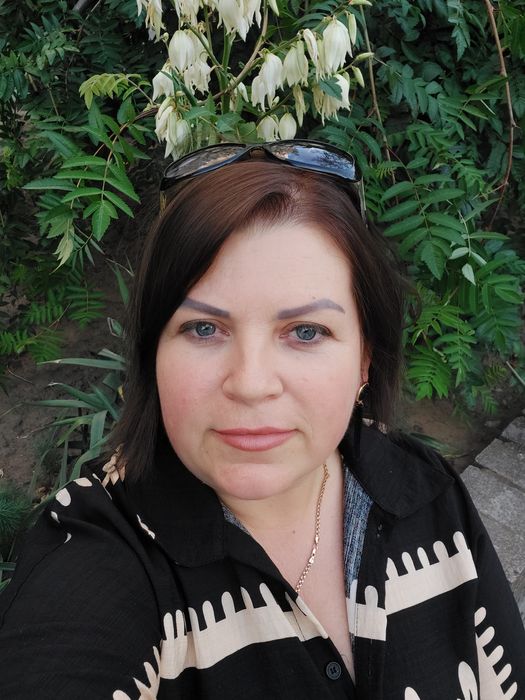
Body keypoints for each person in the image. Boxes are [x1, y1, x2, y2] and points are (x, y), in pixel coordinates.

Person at [0, 140, 523, 699]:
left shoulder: (425, 491)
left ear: (365, 358)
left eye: (306, 332)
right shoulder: (99, 555)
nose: (250, 384)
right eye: (204, 329)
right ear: (154, 353)